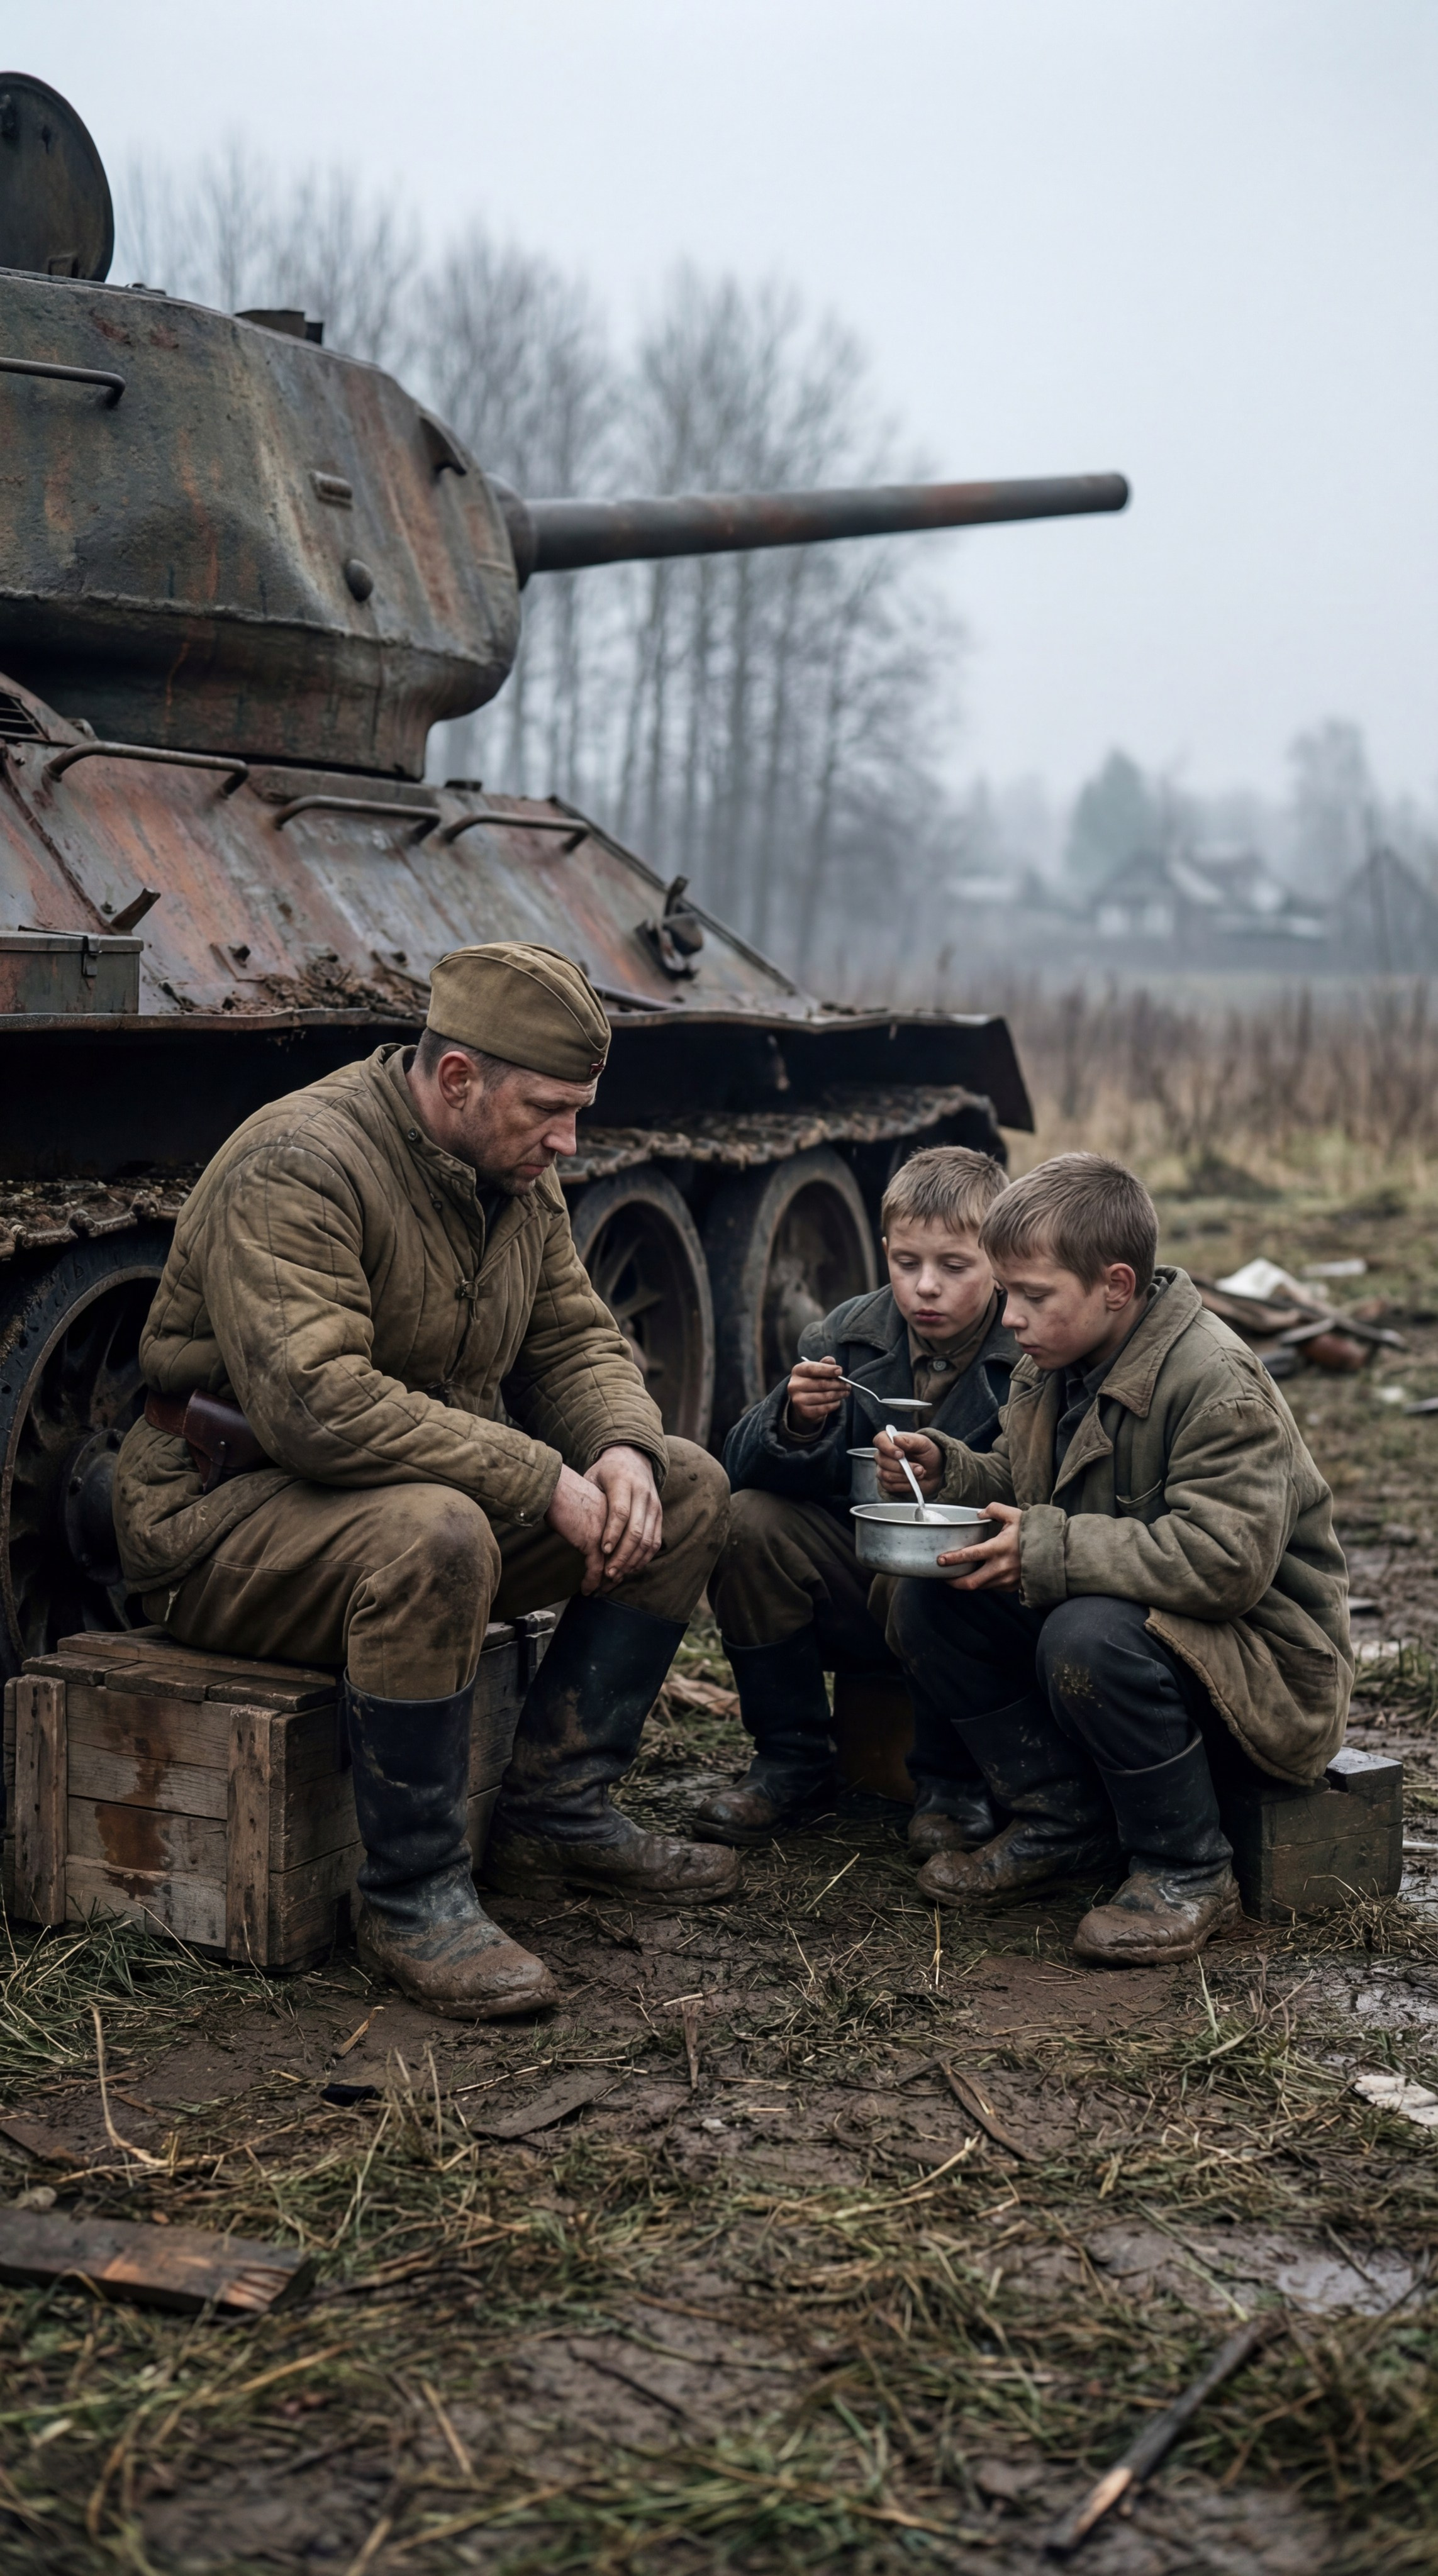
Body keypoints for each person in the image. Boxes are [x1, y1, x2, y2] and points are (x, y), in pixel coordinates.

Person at [113, 942, 735, 2022]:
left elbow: (575, 1343)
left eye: (579, 1110)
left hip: (415, 1511)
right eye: (548, 1108)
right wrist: (541, 1476)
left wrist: (624, 1451)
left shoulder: (513, 1179)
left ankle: (556, 1812)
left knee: (684, 1488)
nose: (568, 1139)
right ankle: (411, 1898)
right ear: (457, 1079)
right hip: (222, 1523)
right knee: (441, 1533)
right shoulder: (300, 1161)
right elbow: (316, 1405)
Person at [873, 1152, 1352, 1965]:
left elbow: (1221, 1561)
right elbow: (1030, 1486)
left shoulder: (1216, 1384)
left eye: (1031, 1296)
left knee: (1084, 1635)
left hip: (1267, 1667)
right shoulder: (1055, 1362)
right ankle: (1062, 1821)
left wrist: (1045, 1547)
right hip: (1157, 1636)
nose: (1010, 1315)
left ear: (1116, 1286)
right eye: (1007, 1291)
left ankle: (1187, 1869)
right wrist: (949, 1467)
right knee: (930, 1593)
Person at [694, 1146, 1015, 1851]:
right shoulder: (844, 1335)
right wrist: (796, 1416)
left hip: (982, 1597)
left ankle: (953, 1784)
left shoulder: (1030, 1346)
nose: (925, 1287)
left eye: (954, 1267)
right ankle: (792, 1757)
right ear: (884, 1252)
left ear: (1000, 1259)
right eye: (907, 1263)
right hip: (861, 1577)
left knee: (933, 1565)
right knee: (749, 1523)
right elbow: (739, 1465)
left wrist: (952, 1478)